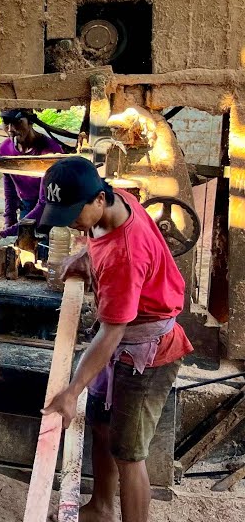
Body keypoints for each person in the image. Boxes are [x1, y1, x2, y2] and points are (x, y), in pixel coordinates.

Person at [39, 156, 192, 522]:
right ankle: (102, 507)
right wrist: (84, 255)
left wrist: (71, 391)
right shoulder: (118, 200)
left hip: (147, 354)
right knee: (103, 427)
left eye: (76, 213)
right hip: (124, 341)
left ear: (98, 201)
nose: (73, 222)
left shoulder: (125, 255)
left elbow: (111, 332)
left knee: (129, 453)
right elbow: (98, 241)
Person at [0, 109, 65, 239]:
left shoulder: (50, 151)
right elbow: (9, 183)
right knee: (23, 247)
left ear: (30, 122)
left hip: (51, 207)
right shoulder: (5, 149)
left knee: (45, 248)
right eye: (6, 122)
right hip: (26, 203)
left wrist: (7, 232)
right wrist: (9, 218)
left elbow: (45, 202)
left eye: (17, 122)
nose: (10, 129)